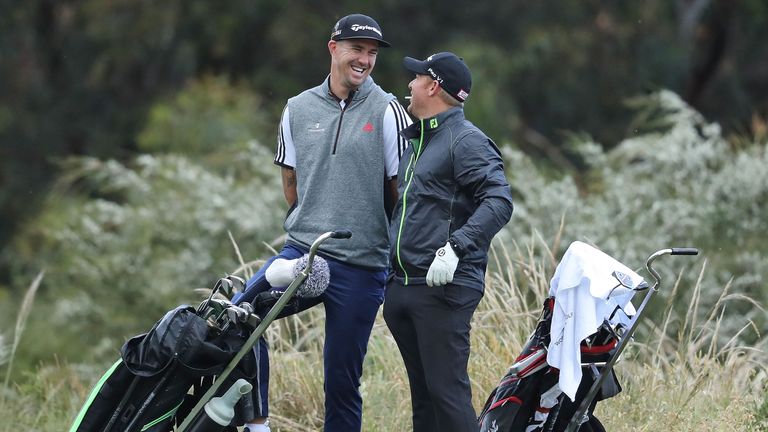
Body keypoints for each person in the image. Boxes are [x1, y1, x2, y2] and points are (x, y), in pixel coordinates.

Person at [231, 13, 411, 432]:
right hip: (304, 255)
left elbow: (398, 192)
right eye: (357, 50)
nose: (364, 60)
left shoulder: (388, 111)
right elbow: (290, 183)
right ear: (333, 48)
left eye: (371, 53)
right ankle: (257, 425)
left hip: (363, 265)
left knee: (342, 384)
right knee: (241, 316)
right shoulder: (296, 109)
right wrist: (314, 219)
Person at [383, 52, 514, 432]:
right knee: (425, 399)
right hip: (406, 287)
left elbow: (499, 202)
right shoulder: (418, 141)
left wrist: (456, 247)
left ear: (432, 86)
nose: (409, 85)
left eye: (416, 77)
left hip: (443, 287)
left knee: (447, 395)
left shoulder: (466, 140)